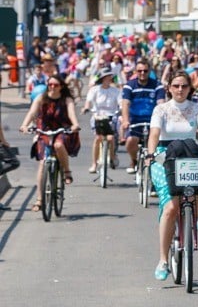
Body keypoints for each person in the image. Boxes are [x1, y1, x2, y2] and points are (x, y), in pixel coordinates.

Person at [145, 70, 198, 280]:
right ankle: (162, 259)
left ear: (190, 88)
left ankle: (196, 217)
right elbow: (154, 133)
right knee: (170, 207)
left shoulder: (197, 108)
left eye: (184, 86)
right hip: (164, 155)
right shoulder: (161, 109)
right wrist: (151, 153)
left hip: (189, 152)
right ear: (169, 87)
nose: (180, 90)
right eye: (176, 86)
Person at [18, 73, 82, 211]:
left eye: (56, 85)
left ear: (61, 86)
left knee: (59, 145)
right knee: (42, 164)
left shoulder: (66, 99)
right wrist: (24, 125)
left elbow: (72, 114)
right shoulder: (42, 98)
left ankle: (66, 172)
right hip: (44, 131)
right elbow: (31, 112)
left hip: (61, 130)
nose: (52, 87)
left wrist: (75, 125)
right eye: (50, 84)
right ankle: (40, 200)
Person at [120, 58, 165, 175]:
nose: (142, 73)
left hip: (152, 121)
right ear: (136, 71)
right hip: (135, 121)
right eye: (140, 71)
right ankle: (134, 161)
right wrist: (125, 120)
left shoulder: (157, 85)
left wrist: (163, 119)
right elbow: (125, 103)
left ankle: (155, 173)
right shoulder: (129, 86)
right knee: (130, 141)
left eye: (145, 71)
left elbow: (161, 103)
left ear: (149, 71)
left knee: (158, 147)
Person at [82, 67, 122, 174]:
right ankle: (94, 163)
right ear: (102, 78)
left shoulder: (116, 91)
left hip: (111, 116)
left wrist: (122, 109)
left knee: (110, 137)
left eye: (109, 76)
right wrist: (86, 107)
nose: (108, 78)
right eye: (106, 76)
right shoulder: (95, 90)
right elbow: (89, 101)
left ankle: (112, 157)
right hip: (98, 116)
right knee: (98, 138)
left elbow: (121, 103)